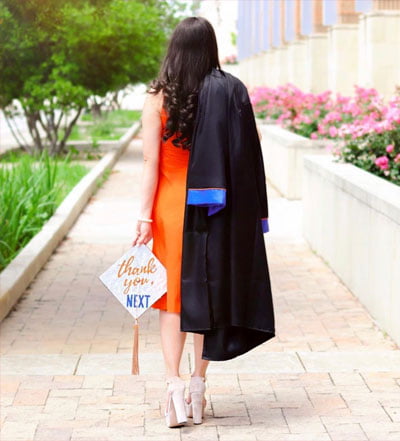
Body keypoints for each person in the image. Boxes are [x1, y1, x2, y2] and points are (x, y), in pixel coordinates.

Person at [132, 16, 275, 429]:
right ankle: (198, 386)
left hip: (171, 208)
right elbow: (251, 148)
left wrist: (143, 217)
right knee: (207, 295)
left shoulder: (158, 98)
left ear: (174, 49)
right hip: (215, 209)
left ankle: (173, 387)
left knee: (173, 299)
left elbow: (149, 163)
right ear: (210, 48)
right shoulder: (227, 92)